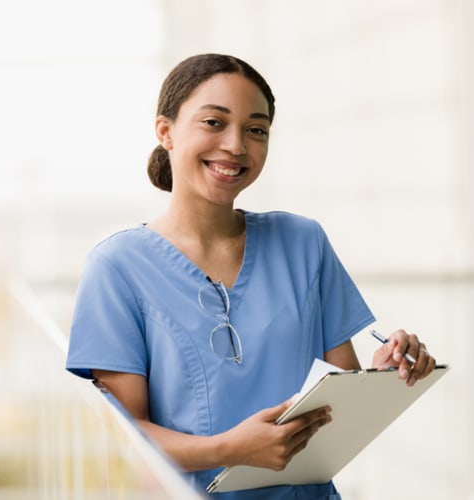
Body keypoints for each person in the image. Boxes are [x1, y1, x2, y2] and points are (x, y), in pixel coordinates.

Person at [66, 53, 436, 499]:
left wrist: (384, 374)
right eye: (214, 123)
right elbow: (126, 436)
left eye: (256, 129)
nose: (236, 145)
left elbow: (336, 399)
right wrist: (230, 448)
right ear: (165, 131)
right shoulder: (117, 266)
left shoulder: (304, 242)